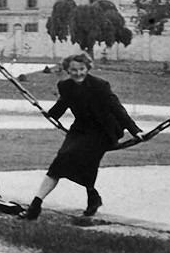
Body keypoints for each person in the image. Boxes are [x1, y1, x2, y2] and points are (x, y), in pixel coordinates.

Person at [22, 53, 143, 221]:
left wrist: (135, 130)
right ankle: (35, 206)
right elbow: (63, 104)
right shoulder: (65, 86)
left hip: (104, 130)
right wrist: (49, 113)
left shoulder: (100, 85)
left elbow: (117, 108)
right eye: (73, 70)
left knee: (86, 158)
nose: (78, 73)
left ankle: (92, 197)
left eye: (81, 69)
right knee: (62, 158)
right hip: (80, 129)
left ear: (87, 69)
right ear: (67, 70)